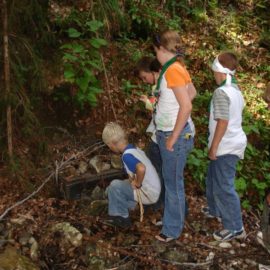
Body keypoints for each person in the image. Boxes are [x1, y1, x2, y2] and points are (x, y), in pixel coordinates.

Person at [152, 30, 196, 242]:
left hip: (174, 135)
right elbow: (192, 93)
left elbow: (186, 105)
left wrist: (172, 136)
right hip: (170, 132)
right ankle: (173, 218)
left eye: (155, 51)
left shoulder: (172, 71)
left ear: (162, 49)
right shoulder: (177, 67)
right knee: (172, 181)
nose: (155, 55)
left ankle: (172, 230)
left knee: (173, 183)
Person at [202, 52, 247, 241]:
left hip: (226, 145)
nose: (213, 74)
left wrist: (214, 147)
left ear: (220, 72)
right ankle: (215, 209)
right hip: (230, 142)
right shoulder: (235, 90)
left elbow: (223, 122)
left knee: (224, 186)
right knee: (213, 178)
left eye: (214, 71)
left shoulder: (222, 92)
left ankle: (235, 227)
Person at [102, 122, 161, 228]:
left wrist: (137, 183)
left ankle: (121, 218)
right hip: (155, 189)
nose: (109, 147)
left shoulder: (127, 156)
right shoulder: (134, 149)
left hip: (149, 193)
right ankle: (131, 206)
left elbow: (141, 168)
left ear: (112, 143)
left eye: (108, 145)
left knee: (114, 186)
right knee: (114, 189)